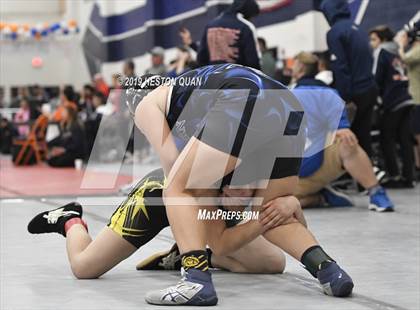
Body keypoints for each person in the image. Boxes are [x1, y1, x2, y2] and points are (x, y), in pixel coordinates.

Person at [125, 63, 353, 305]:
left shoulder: (146, 104)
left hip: (240, 95)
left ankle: (195, 280)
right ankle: (328, 270)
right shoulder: (189, 96)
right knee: (273, 209)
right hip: (287, 103)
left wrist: (197, 205)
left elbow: (173, 167)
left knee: (177, 188)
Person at [290, 52, 394, 211]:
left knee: (347, 141)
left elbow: (343, 129)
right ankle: (321, 197)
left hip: (313, 164)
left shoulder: (315, 92)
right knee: (274, 207)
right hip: (294, 176)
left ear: (301, 68)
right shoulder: (320, 92)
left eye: (294, 65)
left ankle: (375, 192)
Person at [320, 0, 378, 157]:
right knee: (364, 136)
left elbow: (341, 67)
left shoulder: (335, 32)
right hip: (370, 88)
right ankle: (369, 174)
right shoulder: (358, 29)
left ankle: (358, 177)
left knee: (351, 138)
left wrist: (344, 97)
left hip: (356, 92)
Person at [369, 25, 415, 188]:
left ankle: (394, 176)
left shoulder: (381, 51)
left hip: (392, 101)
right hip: (406, 97)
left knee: (386, 139)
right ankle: (409, 177)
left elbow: (376, 78)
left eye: (373, 39)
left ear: (381, 39)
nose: (371, 43)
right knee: (404, 140)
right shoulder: (398, 51)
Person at [197, 0, 261, 69]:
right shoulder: (245, 27)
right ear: (247, 13)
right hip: (238, 76)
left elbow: (201, 58)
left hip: (214, 76)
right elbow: (253, 62)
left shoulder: (210, 26)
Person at [397, 20, 420, 178]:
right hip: (416, 99)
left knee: (418, 136)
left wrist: (401, 44)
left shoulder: (418, 50)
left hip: (418, 99)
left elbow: (404, 59)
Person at [47, 103, 86, 167]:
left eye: (64, 112)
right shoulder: (65, 125)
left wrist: (64, 149)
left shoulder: (76, 126)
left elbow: (77, 144)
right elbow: (60, 138)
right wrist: (49, 144)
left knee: (58, 162)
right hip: (67, 151)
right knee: (51, 160)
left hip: (75, 152)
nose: (62, 114)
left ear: (70, 113)